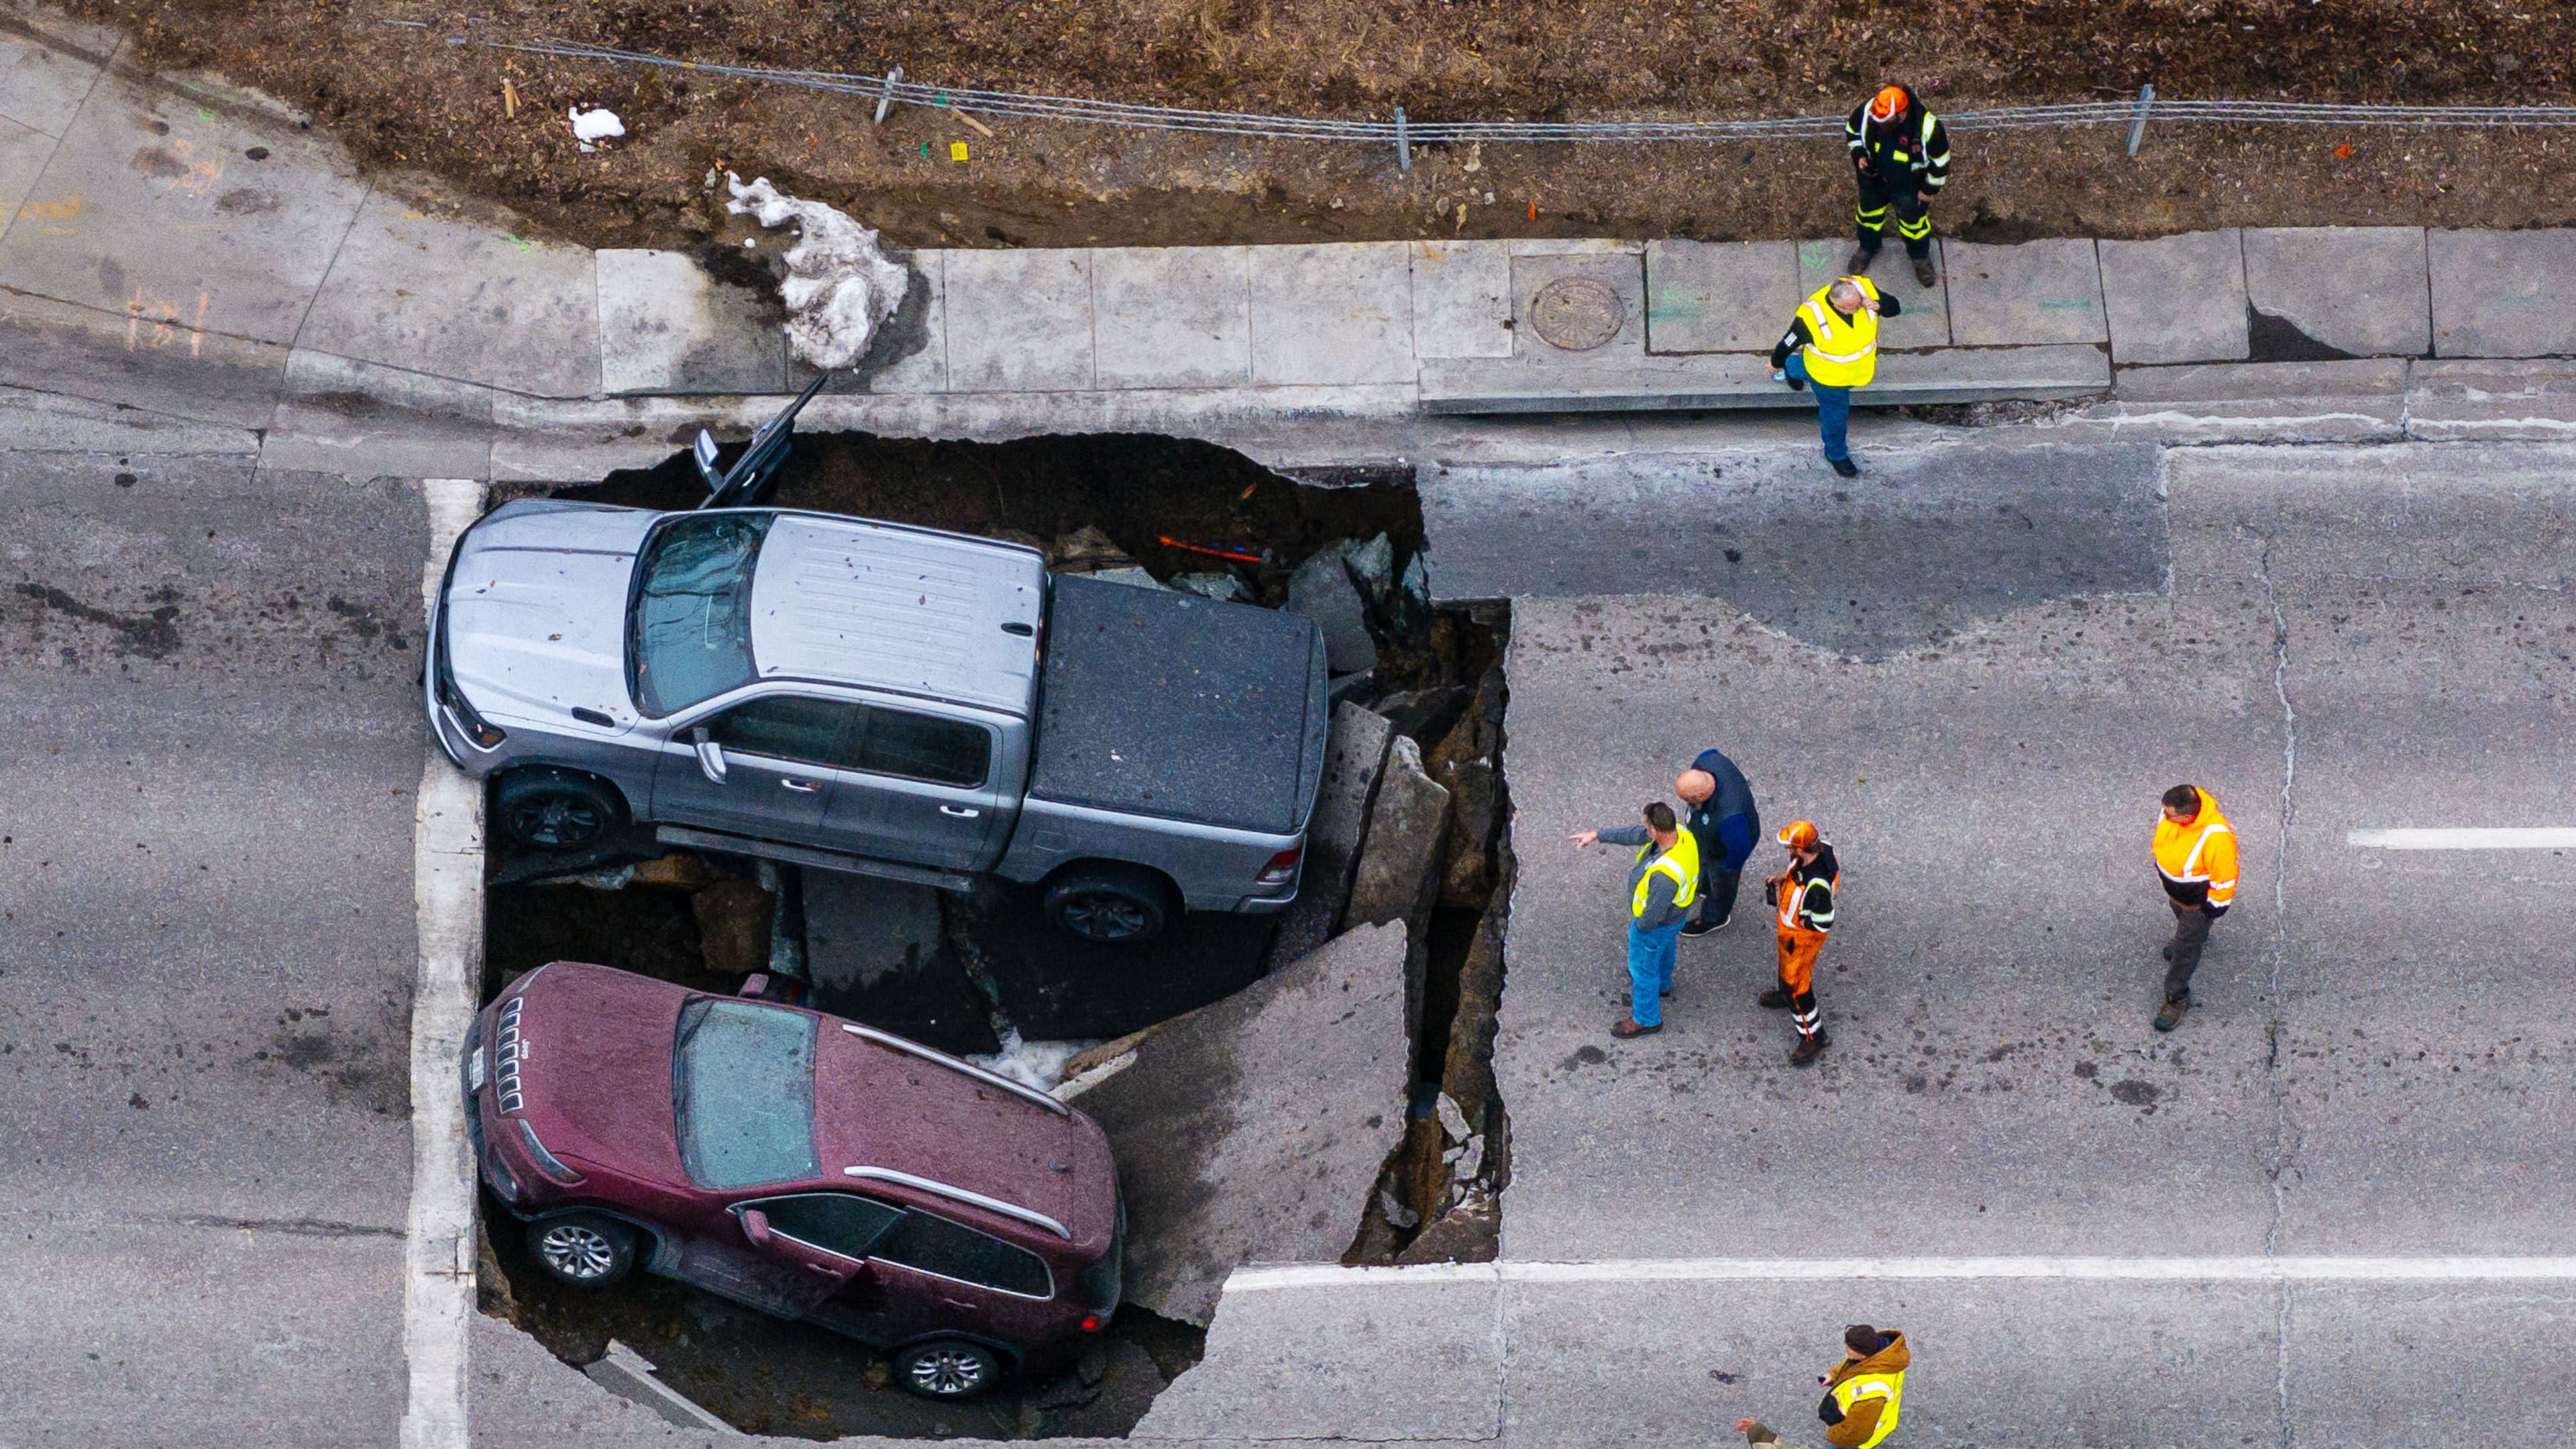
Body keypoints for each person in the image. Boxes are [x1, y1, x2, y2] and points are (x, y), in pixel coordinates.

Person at [1567, 801, 1701, 1038]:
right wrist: (1597, 835)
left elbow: (1653, 915)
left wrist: (1639, 930)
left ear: (1655, 831)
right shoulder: (1681, 834)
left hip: (1655, 927)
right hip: (1675, 919)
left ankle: (1647, 1019)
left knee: (1643, 970)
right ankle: (1663, 986)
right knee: (1665, 949)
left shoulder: (1665, 876)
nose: (1644, 831)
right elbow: (1635, 834)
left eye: (1647, 827)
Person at [1769, 278, 1898, 479]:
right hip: (1829, 379)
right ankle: (1836, 454)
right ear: (1838, 306)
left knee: (1801, 367)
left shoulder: (1864, 291)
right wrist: (1775, 363)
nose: (1860, 307)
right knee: (1835, 417)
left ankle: (1790, 369)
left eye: (1859, 301)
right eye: (1853, 306)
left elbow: (1895, 308)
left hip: (1858, 370)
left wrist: (1878, 305)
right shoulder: (1810, 318)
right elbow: (1787, 343)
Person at [1732, 1324, 1912, 1449]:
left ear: (1862, 1354)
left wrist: (1833, 1435)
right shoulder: (1882, 1357)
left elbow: (1855, 1435)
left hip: (1855, 1439)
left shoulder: (1871, 1396)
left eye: (1848, 1348)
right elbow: (1853, 1367)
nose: (1845, 1348)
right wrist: (1833, 1375)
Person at [1844, 83, 1951, 287]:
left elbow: (1941, 163)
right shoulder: (1870, 111)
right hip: (1873, 180)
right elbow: (1852, 132)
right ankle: (1868, 247)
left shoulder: (1927, 127)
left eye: (1884, 121)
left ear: (1901, 114)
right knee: (1868, 217)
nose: (1878, 123)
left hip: (1908, 187)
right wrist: (1859, 155)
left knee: (1914, 226)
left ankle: (1919, 258)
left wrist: (1929, 190)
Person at [2151, 783, 2237, 1032]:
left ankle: (2177, 997)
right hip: (2179, 895)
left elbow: (2224, 880)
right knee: (2180, 919)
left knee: (2185, 952)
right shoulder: (2173, 816)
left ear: (2187, 817)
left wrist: (2209, 911)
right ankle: (2196, 934)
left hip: (2196, 905)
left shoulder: (2217, 838)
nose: (2164, 816)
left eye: (2170, 814)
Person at [1762, 820, 1839, 1066]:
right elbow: (1797, 872)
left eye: (1791, 848)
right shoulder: (1821, 852)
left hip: (1800, 939)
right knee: (1787, 973)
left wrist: (1803, 923)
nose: (1789, 851)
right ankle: (1786, 994)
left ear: (1801, 849)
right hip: (1791, 935)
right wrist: (1781, 879)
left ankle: (1813, 1037)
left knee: (1796, 986)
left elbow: (1824, 922)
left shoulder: (1817, 887)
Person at [1676, 750, 1760, 936]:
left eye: (1687, 800)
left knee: (1722, 886)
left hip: (1725, 852)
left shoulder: (1730, 817)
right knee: (1703, 864)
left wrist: (1726, 871)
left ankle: (1714, 918)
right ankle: (1704, 886)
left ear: (1699, 797)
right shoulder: (1707, 759)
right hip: (1708, 842)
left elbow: (1738, 851)